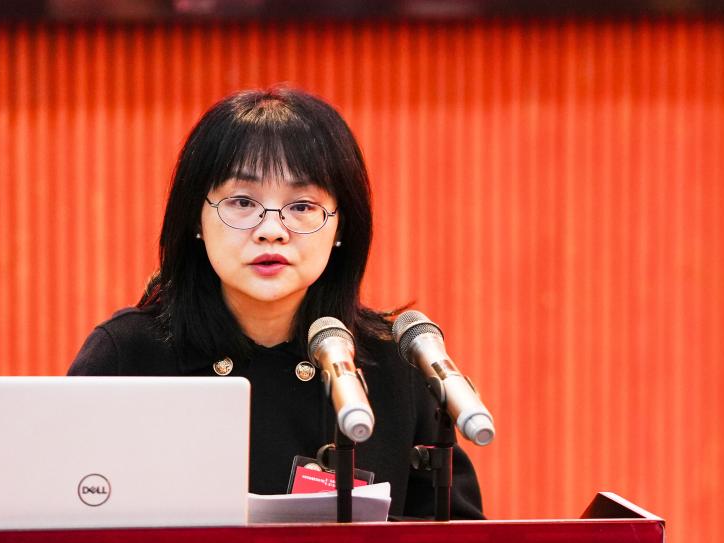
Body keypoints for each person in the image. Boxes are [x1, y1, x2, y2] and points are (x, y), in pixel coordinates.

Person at [68, 86, 484, 520]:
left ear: (341, 227)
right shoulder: (128, 356)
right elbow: (57, 523)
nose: (272, 230)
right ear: (196, 219)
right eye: (242, 202)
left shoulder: (394, 366)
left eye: (302, 206)